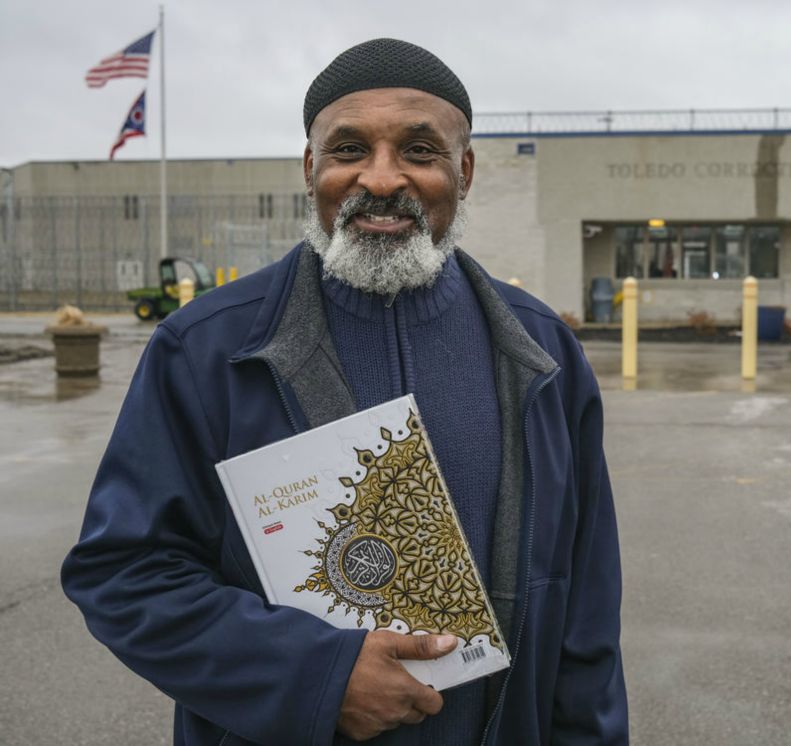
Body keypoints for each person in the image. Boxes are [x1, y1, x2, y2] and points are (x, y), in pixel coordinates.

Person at [62, 38, 628, 745]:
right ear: (311, 168)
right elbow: (124, 574)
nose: (383, 179)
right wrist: (316, 675)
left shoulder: (542, 355)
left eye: (420, 150)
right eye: (350, 149)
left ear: (466, 170)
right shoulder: (202, 350)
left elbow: (587, 617)